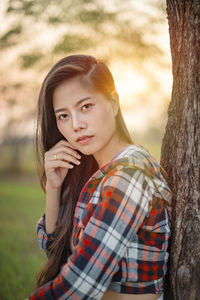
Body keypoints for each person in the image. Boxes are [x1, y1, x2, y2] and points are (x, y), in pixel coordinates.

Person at [28, 54, 172, 300]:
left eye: (86, 107)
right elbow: (57, 257)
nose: (76, 125)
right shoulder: (98, 176)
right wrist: (53, 188)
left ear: (114, 103)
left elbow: (79, 286)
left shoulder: (129, 175)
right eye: (63, 115)